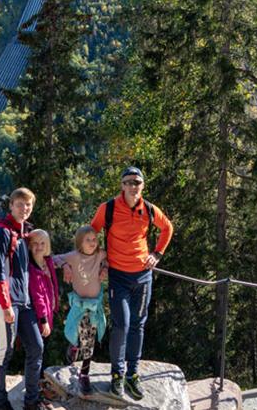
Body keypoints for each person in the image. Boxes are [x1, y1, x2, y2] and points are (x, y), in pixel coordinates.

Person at [89, 166, 173, 400]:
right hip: (118, 276)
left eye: (137, 182)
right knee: (122, 325)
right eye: (128, 182)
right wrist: (100, 258)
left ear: (142, 185)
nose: (133, 186)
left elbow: (167, 228)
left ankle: (132, 374)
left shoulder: (149, 209)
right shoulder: (108, 208)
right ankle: (117, 374)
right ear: (122, 185)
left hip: (143, 276)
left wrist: (157, 254)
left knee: (138, 325)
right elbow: (90, 233)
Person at [0, 187, 49, 410]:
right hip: (4, 302)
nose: (24, 208)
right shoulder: (2, 232)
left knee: (36, 347)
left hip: (24, 302)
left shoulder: (23, 233)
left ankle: (31, 401)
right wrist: (5, 305)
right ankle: (0, 402)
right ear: (11, 206)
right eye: (20, 204)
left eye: (28, 205)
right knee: (4, 352)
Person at [54, 225, 108, 394]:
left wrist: (105, 267)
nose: (92, 243)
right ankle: (74, 345)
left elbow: (111, 257)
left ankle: (84, 373)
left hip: (94, 306)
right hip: (79, 305)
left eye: (94, 239)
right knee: (76, 332)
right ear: (79, 243)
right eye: (88, 240)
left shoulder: (100, 254)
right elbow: (54, 258)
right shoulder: (74, 256)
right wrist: (65, 265)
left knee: (89, 339)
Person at [26, 229, 58, 345]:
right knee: (38, 346)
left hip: (49, 310)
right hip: (39, 316)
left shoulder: (48, 262)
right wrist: (44, 320)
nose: (39, 246)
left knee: (44, 345)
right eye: (35, 243)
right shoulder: (31, 268)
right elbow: (37, 296)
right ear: (30, 245)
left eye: (42, 243)